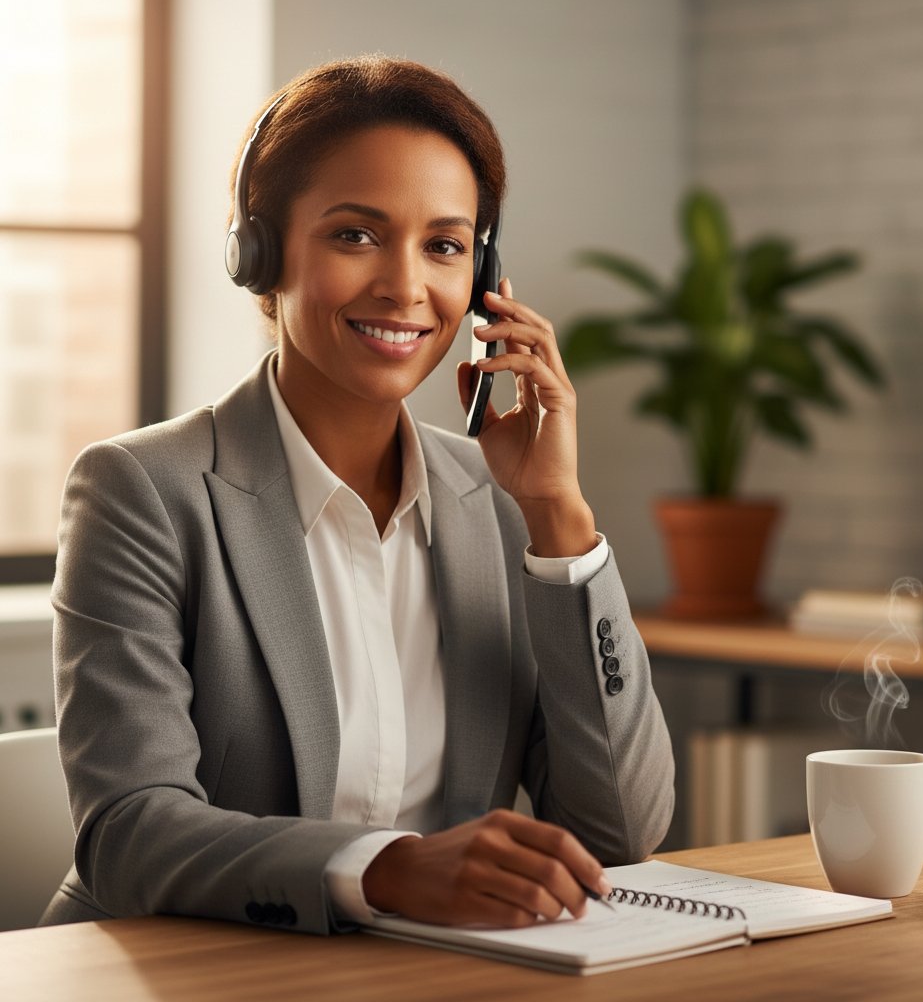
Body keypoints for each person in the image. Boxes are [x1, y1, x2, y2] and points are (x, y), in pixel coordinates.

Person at [41, 56, 674, 935]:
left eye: (445, 246)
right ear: (257, 254)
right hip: (180, 976)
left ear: (485, 279)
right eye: (355, 235)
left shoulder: (497, 506)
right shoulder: (141, 492)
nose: (406, 287)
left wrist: (559, 515)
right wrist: (391, 870)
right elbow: (130, 833)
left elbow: (623, 832)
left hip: (424, 978)